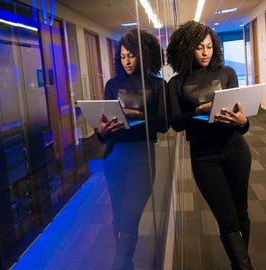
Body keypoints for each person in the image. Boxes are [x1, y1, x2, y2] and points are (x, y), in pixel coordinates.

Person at [166, 20, 253, 269]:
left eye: (209, 46)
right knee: (227, 220)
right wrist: (199, 110)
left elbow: (242, 125)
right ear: (186, 49)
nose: (206, 52)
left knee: (242, 213)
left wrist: (243, 120)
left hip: (235, 149)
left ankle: (239, 265)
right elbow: (176, 123)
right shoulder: (177, 83)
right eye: (199, 47)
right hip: (204, 157)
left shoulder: (227, 73)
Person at [97, 28, 168, 270]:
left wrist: (138, 114)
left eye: (132, 55)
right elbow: (103, 130)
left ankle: (120, 264)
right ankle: (125, 263)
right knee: (119, 216)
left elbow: (164, 124)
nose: (127, 61)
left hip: (142, 156)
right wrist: (102, 132)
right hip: (114, 155)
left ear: (144, 55)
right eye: (123, 56)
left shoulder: (157, 85)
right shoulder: (112, 84)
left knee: (130, 216)